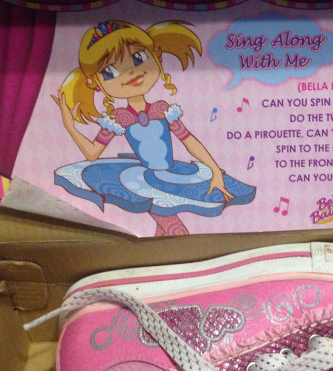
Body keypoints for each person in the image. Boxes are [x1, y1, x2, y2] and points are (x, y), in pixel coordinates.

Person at [53, 20, 255, 236]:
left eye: (138, 58)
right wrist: (69, 126)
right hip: (140, 181)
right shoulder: (119, 118)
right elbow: (92, 153)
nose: (131, 73)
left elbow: (189, 141)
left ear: (156, 55)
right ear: (94, 82)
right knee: (176, 231)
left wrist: (215, 170)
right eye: (110, 71)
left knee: (163, 233)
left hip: (173, 176)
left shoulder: (162, 109)